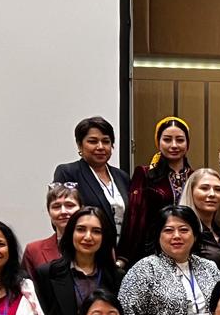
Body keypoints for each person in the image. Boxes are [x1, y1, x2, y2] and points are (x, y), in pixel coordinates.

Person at [35, 206, 123, 315]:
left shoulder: (117, 277)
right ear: (71, 233)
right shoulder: (47, 274)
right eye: (81, 229)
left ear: (104, 237)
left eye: (96, 231)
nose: (88, 237)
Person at [122, 116, 194, 263]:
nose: (174, 145)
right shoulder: (145, 174)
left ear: (187, 144)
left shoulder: (195, 177)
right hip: (152, 250)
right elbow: (134, 216)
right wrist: (125, 256)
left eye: (180, 140)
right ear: (158, 142)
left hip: (189, 250)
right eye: (167, 139)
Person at [54, 116, 129, 245]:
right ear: (80, 145)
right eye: (93, 141)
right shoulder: (68, 172)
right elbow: (62, 217)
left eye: (106, 141)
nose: (100, 147)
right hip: (86, 250)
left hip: (120, 254)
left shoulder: (122, 176)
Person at [179, 166, 220, 273]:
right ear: (191, 192)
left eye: (217, 189)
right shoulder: (183, 233)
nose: (212, 194)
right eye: (204, 188)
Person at [21, 181, 81, 276]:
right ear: (49, 212)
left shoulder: (99, 246)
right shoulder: (34, 250)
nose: (63, 211)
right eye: (56, 207)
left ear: (81, 209)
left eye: (70, 205)